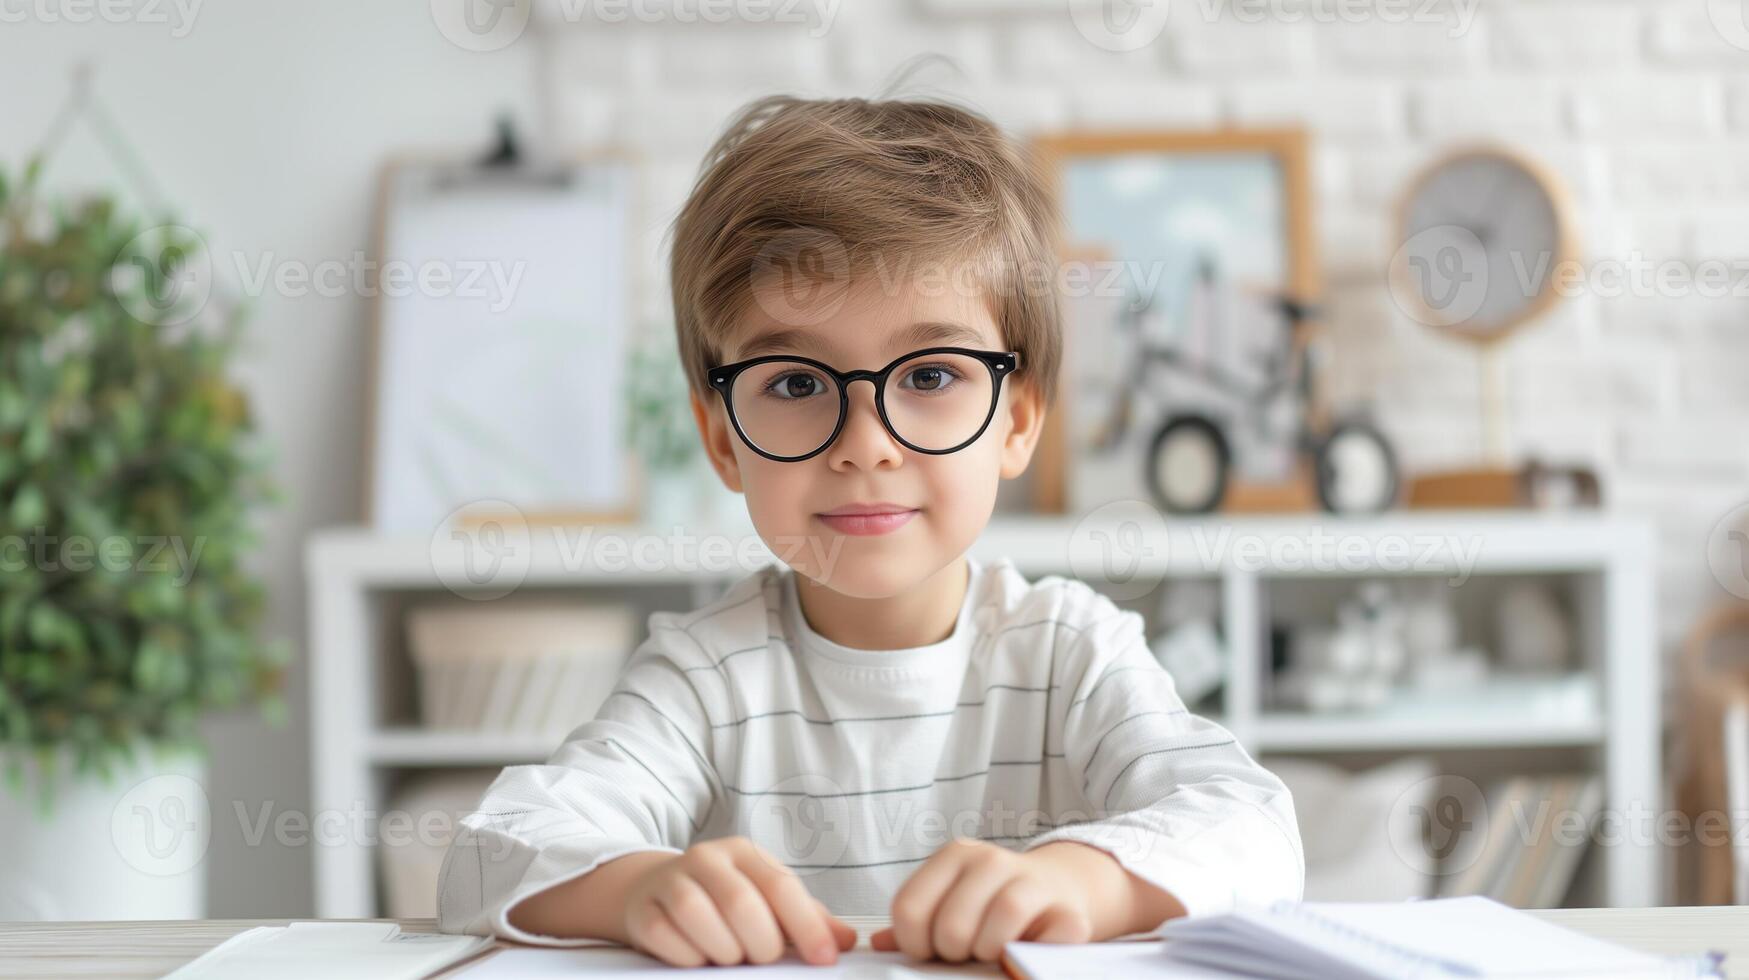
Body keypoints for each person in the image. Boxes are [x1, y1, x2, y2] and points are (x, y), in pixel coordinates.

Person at [436, 94, 1303, 967]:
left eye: (929, 374)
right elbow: (488, 855)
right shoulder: (705, 678)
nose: (866, 445)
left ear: (1018, 420)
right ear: (720, 439)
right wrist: (631, 890)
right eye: (796, 384)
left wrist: (1085, 881)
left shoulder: (1069, 652)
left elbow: (1255, 828)